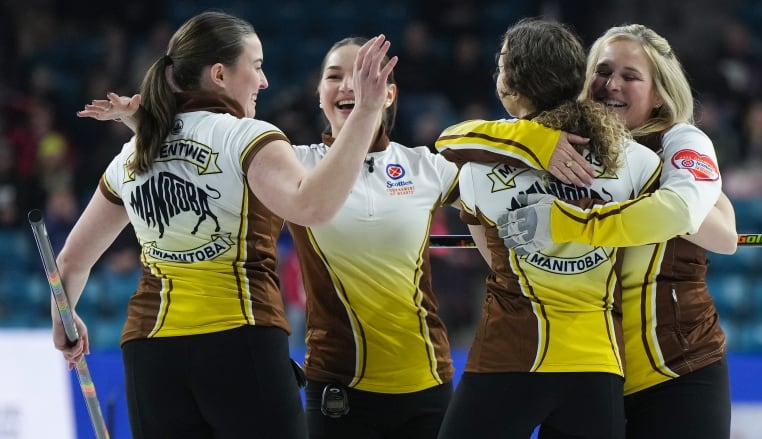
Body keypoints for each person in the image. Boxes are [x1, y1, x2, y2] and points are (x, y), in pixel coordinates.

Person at [80, 33, 589, 438]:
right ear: (319, 94)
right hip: (336, 394)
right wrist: (147, 122)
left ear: (389, 92)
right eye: (334, 76)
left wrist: (537, 140)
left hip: (429, 387)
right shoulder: (290, 163)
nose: (349, 85)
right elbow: (206, 165)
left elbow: (491, 189)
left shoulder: (427, 167)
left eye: (363, 76)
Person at [54, 11, 396, 439]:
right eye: (256, 66)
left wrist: (64, 321)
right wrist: (365, 112)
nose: (264, 81)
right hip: (239, 342)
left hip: (149, 354)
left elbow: (69, 261)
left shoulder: (132, 154)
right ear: (219, 74)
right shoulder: (247, 136)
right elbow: (313, 206)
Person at [497, 24, 737, 438]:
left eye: (630, 76)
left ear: (660, 93)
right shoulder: (558, 139)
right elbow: (460, 142)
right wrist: (527, 138)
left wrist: (573, 221)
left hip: (679, 370)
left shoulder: (680, 140)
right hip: (584, 373)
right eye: (603, 71)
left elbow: (720, 235)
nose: (612, 85)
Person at [433, 18, 664, 438]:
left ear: (512, 83)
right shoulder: (639, 161)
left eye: (501, 64)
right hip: (597, 365)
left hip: (510, 355)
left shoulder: (476, 169)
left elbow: (490, 251)